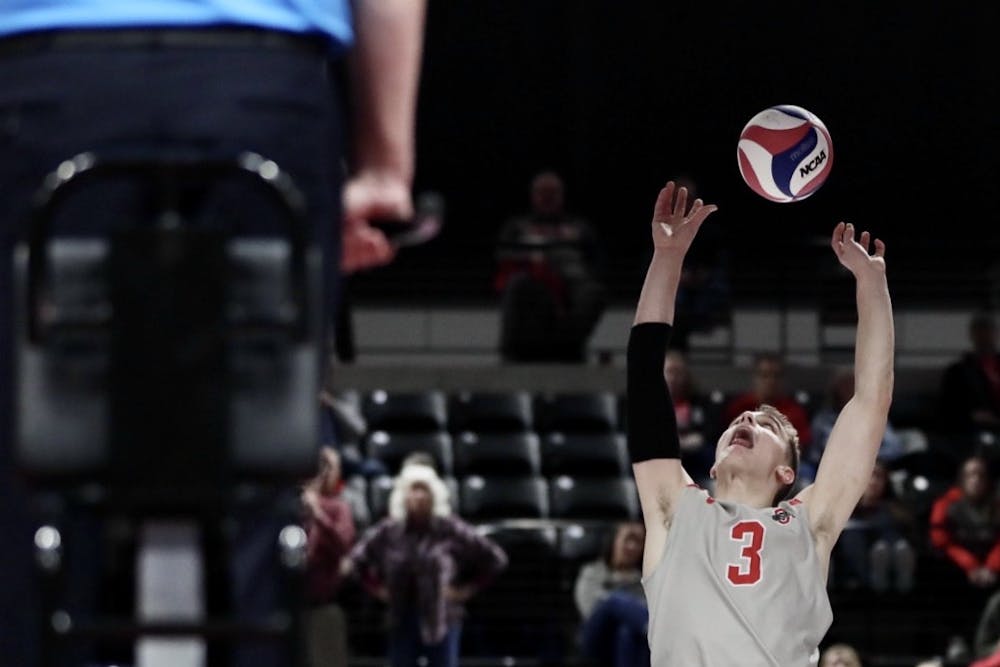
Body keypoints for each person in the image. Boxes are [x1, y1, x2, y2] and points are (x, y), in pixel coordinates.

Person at [0, 2, 427, 665]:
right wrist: (385, 165)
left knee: (25, 483)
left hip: (47, 81)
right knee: (256, 476)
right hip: (260, 86)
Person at [627, 181, 894, 665]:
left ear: (786, 472)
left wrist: (871, 285)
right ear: (713, 463)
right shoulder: (674, 507)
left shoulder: (810, 524)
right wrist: (667, 259)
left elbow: (871, 401)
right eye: (741, 418)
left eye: (769, 424)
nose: (748, 414)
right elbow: (645, 377)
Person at [345, 461, 508, 667]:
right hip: (402, 619)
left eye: (425, 490)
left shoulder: (450, 528)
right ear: (404, 495)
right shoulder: (389, 530)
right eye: (414, 489)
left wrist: (467, 590)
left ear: (435, 495)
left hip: (443, 618)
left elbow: (496, 558)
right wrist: (377, 589)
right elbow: (356, 560)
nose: (420, 496)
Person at [494, 170, 607, 363]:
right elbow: (502, 257)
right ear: (533, 195)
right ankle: (513, 351)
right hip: (533, 282)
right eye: (542, 192)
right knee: (518, 285)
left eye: (552, 193)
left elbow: (596, 262)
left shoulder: (579, 227)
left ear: (561, 195)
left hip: (573, 285)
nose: (547, 198)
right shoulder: (517, 226)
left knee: (593, 293)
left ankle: (567, 348)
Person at [300, 447, 358, 667]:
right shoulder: (290, 507)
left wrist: (318, 514)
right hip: (289, 608)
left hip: (323, 608)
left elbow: (343, 545)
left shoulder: (338, 508)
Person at [801, 365, 907, 483]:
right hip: (832, 471)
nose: (851, 389)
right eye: (846, 386)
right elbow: (816, 453)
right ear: (836, 390)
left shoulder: (874, 416)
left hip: (870, 467)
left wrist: (867, 458)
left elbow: (894, 447)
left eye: (854, 384)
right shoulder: (823, 419)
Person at [830, 461, 917, 593]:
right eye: (869, 476)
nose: (873, 482)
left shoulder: (894, 509)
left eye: (878, 476)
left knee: (893, 545)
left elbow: (910, 528)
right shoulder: (843, 507)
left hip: (890, 568)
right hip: (852, 575)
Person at [574, 520, 649, 667]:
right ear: (614, 540)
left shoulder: (643, 580)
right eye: (628, 539)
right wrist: (617, 603)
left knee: (626, 632)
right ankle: (651, 628)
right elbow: (589, 609)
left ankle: (648, 627)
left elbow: (649, 608)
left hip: (631, 638)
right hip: (596, 636)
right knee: (613, 601)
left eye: (638, 542)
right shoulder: (592, 573)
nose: (632, 546)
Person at [721, 351, 814, 456]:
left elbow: (800, 447)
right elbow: (727, 443)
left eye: (776, 376)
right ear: (754, 378)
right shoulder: (738, 408)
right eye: (764, 375)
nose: (771, 381)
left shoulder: (795, 411)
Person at [940, 312, 1000, 436]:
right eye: (980, 331)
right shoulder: (958, 371)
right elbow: (948, 406)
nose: (984, 335)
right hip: (976, 429)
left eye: (988, 330)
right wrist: (971, 416)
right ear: (972, 335)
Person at [663, 349, 717, 485]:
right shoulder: (651, 405)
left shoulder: (700, 402)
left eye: (678, 373)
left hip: (694, 455)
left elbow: (709, 431)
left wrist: (695, 440)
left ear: (686, 375)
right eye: (670, 372)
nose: (674, 378)